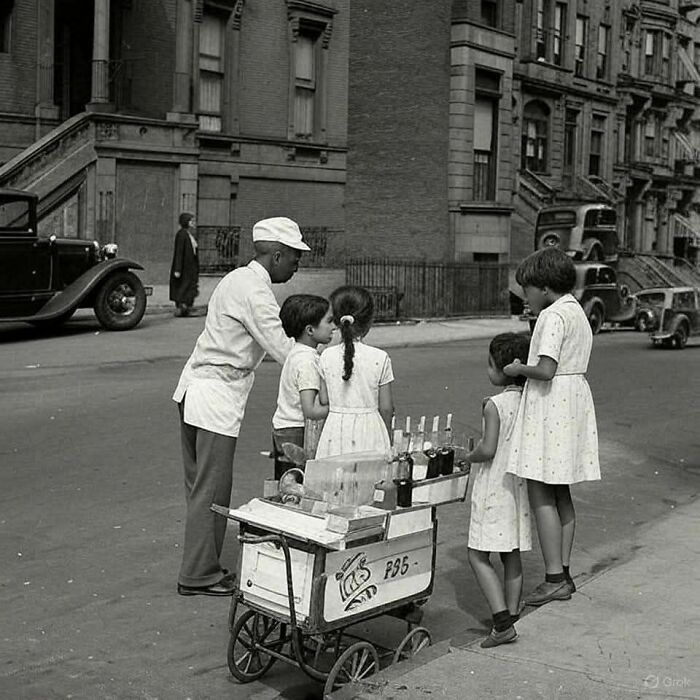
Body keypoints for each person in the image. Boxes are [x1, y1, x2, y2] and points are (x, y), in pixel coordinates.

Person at [172, 217, 309, 596]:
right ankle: (198, 574)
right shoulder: (256, 292)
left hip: (194, 390)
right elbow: (282, 348)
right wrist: (320, 364)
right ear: (276, 254)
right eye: (294, 257)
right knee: (212, 490)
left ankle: (205, 565)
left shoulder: (236, 279)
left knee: (201, 489)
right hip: (214, 396)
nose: (297, 265)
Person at [504, 247, 600, 607]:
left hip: (553, 402)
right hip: (574, 400)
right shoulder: (577, 311)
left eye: (527, 289)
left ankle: (553, 577)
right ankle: (564, 570)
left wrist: (516, 369)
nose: (525, 297)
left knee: (540, 488)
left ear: (544, 288)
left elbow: (545, 369)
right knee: (561, 491)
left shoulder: (551, 317)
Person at [466, 333, 532, 649]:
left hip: (494, 486)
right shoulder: (531, 400)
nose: (488, 370)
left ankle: (502, 622)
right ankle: (514, 612)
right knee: (511, 553)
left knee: (477, 554)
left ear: (501, 369)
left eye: (490, 365)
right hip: (518, 485)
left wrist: (468, 456)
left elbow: (488, 448)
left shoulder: (494, 405)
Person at [315, 286, 394, 458]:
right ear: (369, 322)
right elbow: (386, 408)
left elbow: (324, 399)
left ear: (336, 322)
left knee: (335, 480)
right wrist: (387, 438)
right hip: (371, 431)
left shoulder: (326, 356)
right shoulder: (380, 357)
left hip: (335, 433)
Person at [271, 294, 335, 477]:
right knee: (296, 488)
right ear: (310, 330)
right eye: (329, 321)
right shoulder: (307, 361)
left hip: (285, 428)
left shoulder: (298, 353)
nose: (334, 327)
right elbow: (310, 410)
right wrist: (339, 408)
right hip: (296, 432)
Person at [169, 212, 199, 317]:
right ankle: (182, 308)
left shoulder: (189, 234)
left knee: (190, 286)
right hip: (184, 267)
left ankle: (187, 307)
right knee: (183, 287)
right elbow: (179, 252)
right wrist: (177, 269)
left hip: (190, 267)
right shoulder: (181, 234)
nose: (193, 223)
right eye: (191, 221)